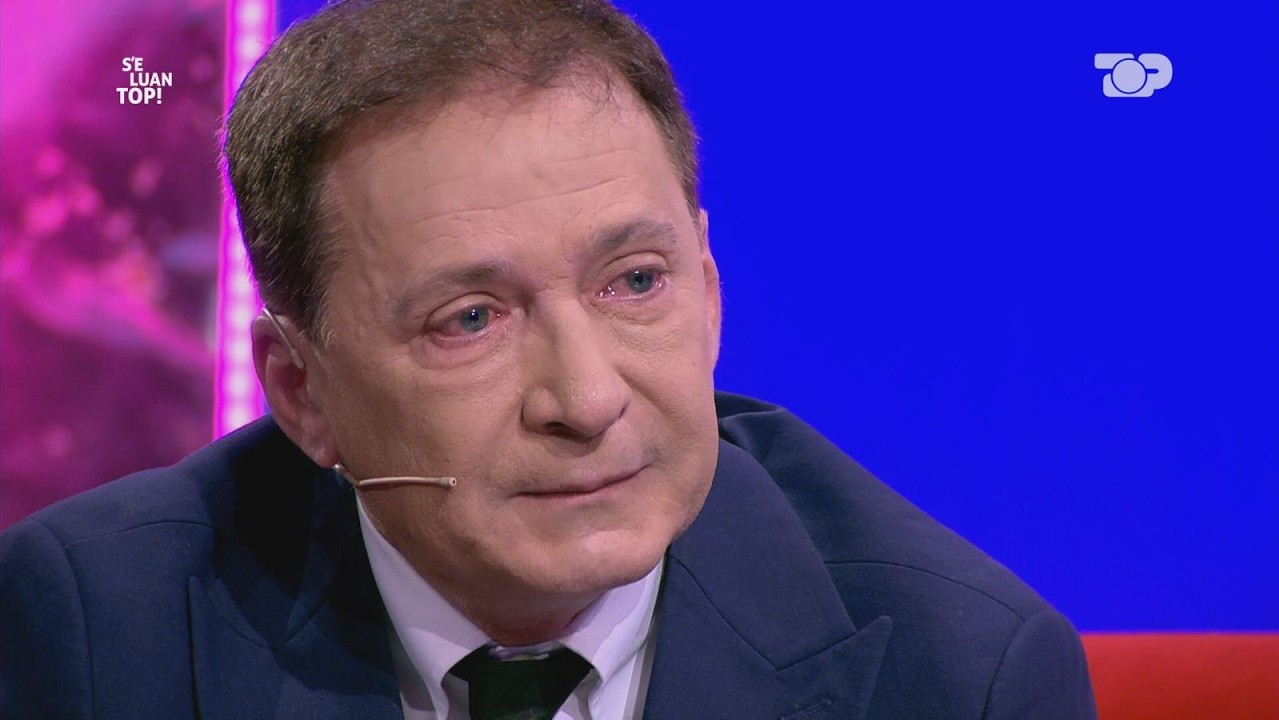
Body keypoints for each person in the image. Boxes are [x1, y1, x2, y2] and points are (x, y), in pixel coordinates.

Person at [0, 1, 1097, 717]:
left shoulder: (958, 673)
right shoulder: (90, 637)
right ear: (301, 390)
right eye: (471, 318)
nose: (587, 398)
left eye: (635, 282)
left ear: (710, 291)